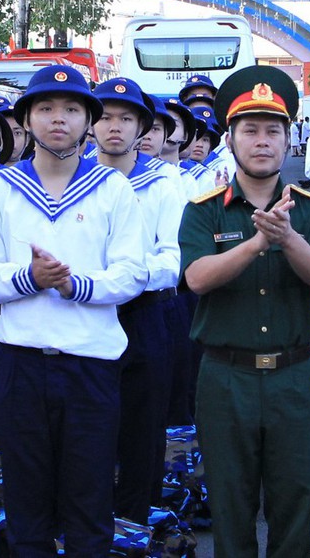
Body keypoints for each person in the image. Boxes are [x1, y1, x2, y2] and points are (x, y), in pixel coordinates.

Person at [0, 65, 149, 556]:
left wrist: (73, 284)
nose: (58, 119)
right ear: (25, 119)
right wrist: (29, 279)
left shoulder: (113, 189)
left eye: (71, 108)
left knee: (89, 500)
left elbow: (132, 274)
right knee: (26, 501)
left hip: (91, 365)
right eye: (44, 108)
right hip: (19, 366)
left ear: (88, 120)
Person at [179, 65, 310, 557]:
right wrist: (255, 243)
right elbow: (197, 278)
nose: (262, 140)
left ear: (290, 140)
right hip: (226, 379)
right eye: (250, 130)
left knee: (295, 501)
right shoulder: (205, 209)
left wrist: (287, 237)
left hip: (291, 376)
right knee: (230, 503)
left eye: (273, 130)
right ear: (230, 139)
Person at [90, 77, 185, 523]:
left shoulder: (164, 183)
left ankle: (137, 522)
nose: (114, 127)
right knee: (89, 420)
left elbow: (173, 258)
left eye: (126, 119)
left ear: (142, 127)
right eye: (105, 117)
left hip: (146, 312)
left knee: (144, 425)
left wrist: (126, 277)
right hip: (88, 310)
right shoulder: (76, 181)